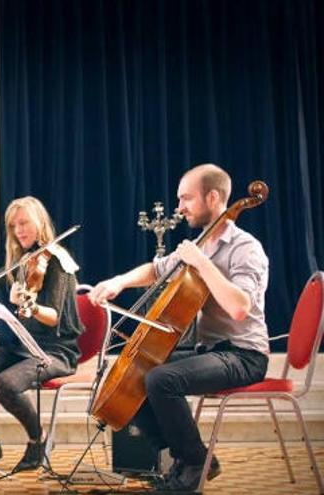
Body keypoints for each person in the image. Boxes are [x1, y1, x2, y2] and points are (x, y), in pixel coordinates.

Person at [89, 164, 269, 491]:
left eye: (186, 198)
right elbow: (156, 269)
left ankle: (194, 464)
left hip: (245, 355)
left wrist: (201, 262)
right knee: (136, 378)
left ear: (213, 197)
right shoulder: (201, 243)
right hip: (210, 352)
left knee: (161, 379)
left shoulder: (246, 248)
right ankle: (191, 458)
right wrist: (118, 281)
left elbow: (240, 307)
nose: (180, 207)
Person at [0, 196, 83, 473]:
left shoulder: (58, 262)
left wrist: (29, 306)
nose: (19, 230)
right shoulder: (23, 261)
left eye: (24, 222)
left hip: (54, 351)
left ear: (39, 222)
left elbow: (53, 317)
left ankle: (37, 440)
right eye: (13, 225)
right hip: (23, 347)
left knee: (4, 384)